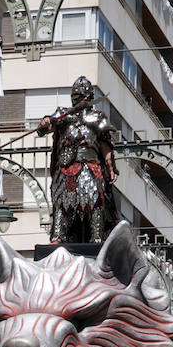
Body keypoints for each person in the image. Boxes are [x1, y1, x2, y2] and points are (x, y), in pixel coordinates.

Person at [37, 75, 119, 243]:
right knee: (61, 201)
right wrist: (45, 123)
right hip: (66, 167)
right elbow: (46, 127)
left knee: (95, 200)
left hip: (90, 166)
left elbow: (105, 145)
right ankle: (59, 235)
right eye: (79, 97)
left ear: (90, 99)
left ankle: (96, 236)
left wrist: (111, 168)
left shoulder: (97, 117)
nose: (82, 100)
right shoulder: (62, 115)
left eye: (85, 97)